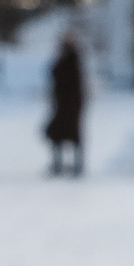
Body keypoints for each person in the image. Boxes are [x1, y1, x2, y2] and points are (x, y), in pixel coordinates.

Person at [46, 31, 87, 177]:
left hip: (69, 106)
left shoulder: (71, 59)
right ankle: (63, 164)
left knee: (68, 134)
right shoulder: (68, 59)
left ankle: (74, 165)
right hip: (65, 105)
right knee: (58, 134)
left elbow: (62, 78)